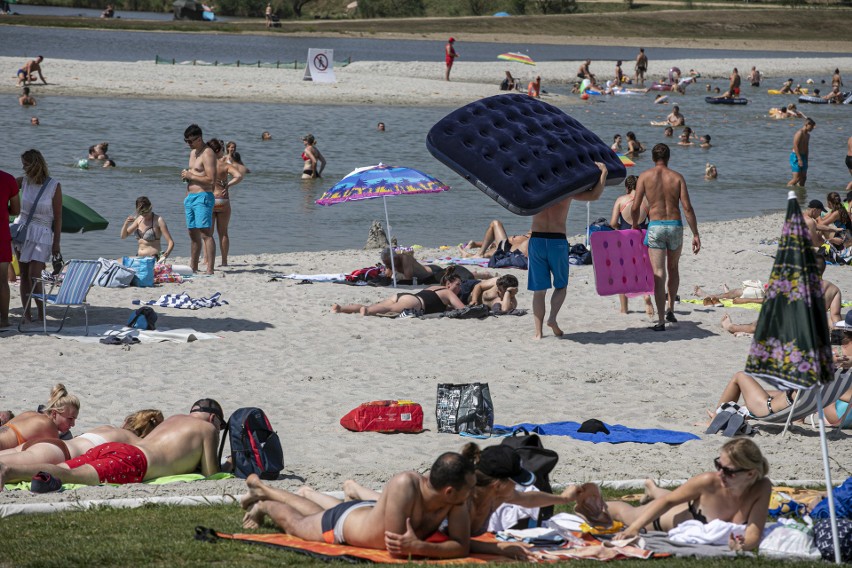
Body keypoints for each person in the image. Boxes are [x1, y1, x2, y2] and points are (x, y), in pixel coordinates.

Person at [285, 444, 584, 560]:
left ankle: (339, 491)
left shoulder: (497, 492)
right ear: (497, 482)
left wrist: (564, 498)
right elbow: (462, 541)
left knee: (352, 510)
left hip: (396, 521)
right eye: (512, 481)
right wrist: (502, 548)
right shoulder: (463, 498)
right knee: (348, 511)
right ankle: (284, 494)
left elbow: (528, 497)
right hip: (383, 521)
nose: (516, 488)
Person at [241, 451, 475, 558]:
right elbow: (395, 547)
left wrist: (420, 547)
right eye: (470, 488)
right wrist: (422, 548)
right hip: (344, 525)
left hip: (362, 515)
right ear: (449, 490)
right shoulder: (406, 484)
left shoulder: (455, 499)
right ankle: (264, 502)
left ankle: (264, 491)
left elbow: (461, 547)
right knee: (296, 524)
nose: (472, 493)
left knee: (316, 514)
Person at [0, 399, 224, 490]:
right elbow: (211, 474)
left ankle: (13, 470)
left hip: (115, 449)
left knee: (65, 470)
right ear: (214, 420)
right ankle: (9, 471)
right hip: (134, 461)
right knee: (71, 475)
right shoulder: (208, 430)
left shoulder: (175, 419)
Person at [608, 439, 771, 551]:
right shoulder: (708, 481)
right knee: (625, 513)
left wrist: (742, 546)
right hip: (666, 519)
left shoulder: (761, 488)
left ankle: (653, 489)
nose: (720, 473)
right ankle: (586, 499)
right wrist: (634, 528)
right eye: (718, 465)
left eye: (728, 471)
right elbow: (668, 501)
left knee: (678, 497)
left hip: (689, 508)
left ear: (750, 474)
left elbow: (753, 533)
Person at [530, 163, 607, 340]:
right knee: (561, 285)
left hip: (537, 240)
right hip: (557, 241)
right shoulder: (566, 192)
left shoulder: (534, 190)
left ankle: (538, 333)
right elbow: (594, 195)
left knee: (539, 290)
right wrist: (603, 173)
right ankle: (552, 318)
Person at [632, 144, 700, 331]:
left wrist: (635, 225)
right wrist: (695, 233)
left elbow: (635, 206)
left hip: (655, 227)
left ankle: (661, 320)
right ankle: (671, 309)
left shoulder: (645, 176)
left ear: (653, 158)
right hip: (675, 226)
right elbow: (687, 208)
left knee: (658, 272)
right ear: (669, 157)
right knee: (673, 268)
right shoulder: (677, 177)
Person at [0, 409, 162, 467]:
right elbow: (152, 452)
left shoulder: (105, 428)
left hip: (53, 444)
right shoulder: (130, 440)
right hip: (60, 452)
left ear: (127, 421)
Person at [11, 149, 61, 322]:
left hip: (43, 232)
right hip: (22, 229)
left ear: (35, 164)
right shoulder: (22, 181)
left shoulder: (54, 185)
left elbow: (58, 217)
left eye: (26, 164)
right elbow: (4, 188)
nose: (23, 168)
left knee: (34, 274)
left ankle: (41, 311)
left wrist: (57, 243)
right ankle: (26, 314)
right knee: (24, 274)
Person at [610, 175, 654, 318]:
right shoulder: (646, 202)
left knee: (622, 273)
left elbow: (613, 223)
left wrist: (619, 227)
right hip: (641, 238)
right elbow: (652, 222)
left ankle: (624, 308)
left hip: (624, 238)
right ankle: (646, 296)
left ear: (627, 187)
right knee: (643, 270)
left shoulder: (621, 200)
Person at [332, 270, 466, 316]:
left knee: (378, 305)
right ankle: (367, 311)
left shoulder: (433, 287)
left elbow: (437, 302)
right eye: (458, 285)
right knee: (386, 309)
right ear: (448, 284)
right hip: (415, 302)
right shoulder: (449, 293)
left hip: (403, 296)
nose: (459, 288)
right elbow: (462, 309)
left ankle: (341, 308)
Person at [0, 384, 79, 452]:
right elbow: (61, 452)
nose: (73, 424)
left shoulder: (29, 414)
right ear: (54, 414)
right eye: (70, 419)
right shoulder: (49, 426)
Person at [181, 124, 216, 275]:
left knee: (205, 233)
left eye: (190, 141)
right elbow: (193, 176)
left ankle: (210, 269)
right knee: (192, 233)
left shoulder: (208, 153)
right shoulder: (193, 152)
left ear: (199, 138)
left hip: (203, 197)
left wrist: (191, 176)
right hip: (191, 198)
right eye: (186, 141)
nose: (188, 144)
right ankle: (193, 267)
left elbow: (211, 180)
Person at [207, 139, 244, 266]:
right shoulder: (224, 165)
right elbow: (239, 176)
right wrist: (227, 185)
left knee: (208, 233)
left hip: (210, 198)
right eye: (222, 150)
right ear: (218, 151)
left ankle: (207, 260)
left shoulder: (206, 164)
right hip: (222, 199)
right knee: (223, 232)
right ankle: (224, 261)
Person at [120, 196, 175, 260]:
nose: (144, 214)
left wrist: (164, 256)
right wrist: (126, 223)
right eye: (141, 212)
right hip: (139, 257)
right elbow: (123, 236)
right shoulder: (138, 219)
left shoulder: (158, 220)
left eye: (146, 212)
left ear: (150, 207)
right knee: (121, 260)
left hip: (153, 258)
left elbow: (171, 242)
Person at [0, 169, 20, 328]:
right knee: (2, 282)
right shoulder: (8, 179)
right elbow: (16, 210)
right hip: (1, 234)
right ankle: (4, 320)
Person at [459, 219, 530, 259]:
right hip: (508, 249)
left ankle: (478, 253)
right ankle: (473, 254)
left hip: (508, 251)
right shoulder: (535, 234)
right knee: (493, 250)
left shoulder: (534, 236)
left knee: (495, 223)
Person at [788, 118, 815, 187]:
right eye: (811, 126)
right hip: (796, 156)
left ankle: (800, 195)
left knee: (803, 178)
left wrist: (806, 160)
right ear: (807, 124)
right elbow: (795, 146)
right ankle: (788, 190)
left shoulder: (808, 135)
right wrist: (799, 159)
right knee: (796, 178)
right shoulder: (799, 133)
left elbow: (806, 148)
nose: (812, 128)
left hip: (803, 156)